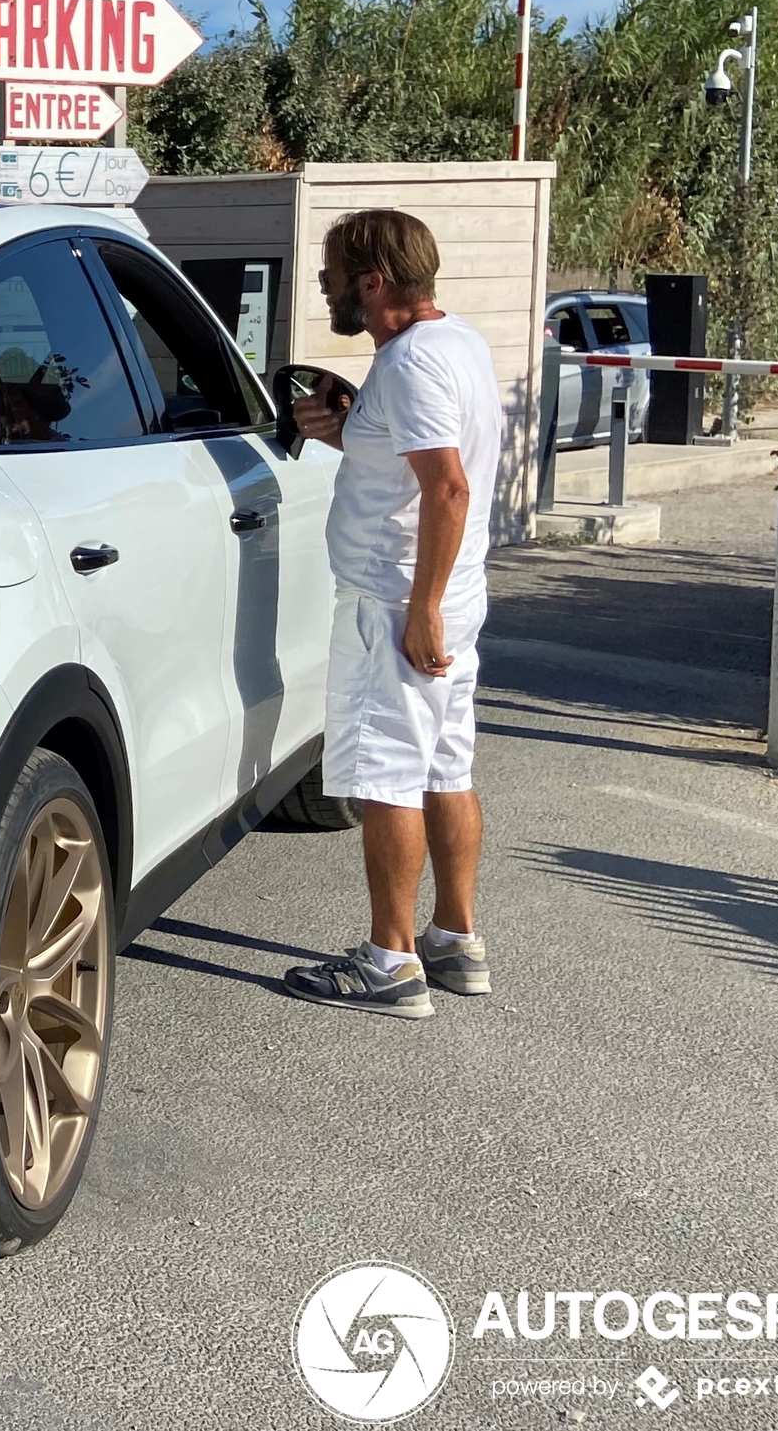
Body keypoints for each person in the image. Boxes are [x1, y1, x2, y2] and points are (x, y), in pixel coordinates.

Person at [281, 209, 501, 1019]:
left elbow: (447, 486)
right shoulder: (458, 345)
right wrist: (351, 429)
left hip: (398, 602)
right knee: (447, 767)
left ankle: (389, 961)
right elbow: (418, 469)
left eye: (332, 272)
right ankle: (455, 940)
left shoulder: (408, 365)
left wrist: (421, 610)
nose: (325, 284)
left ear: (373, 282)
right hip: (449, 595)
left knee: (387, 777)